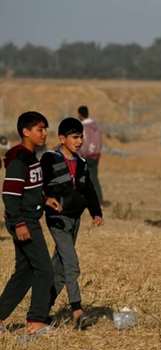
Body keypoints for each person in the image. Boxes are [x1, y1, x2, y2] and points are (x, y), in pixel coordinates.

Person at [0, 111, 61, 336]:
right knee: (44, 270)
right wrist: (19, 223)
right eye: (39, 129)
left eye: (45, 128)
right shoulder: (18, 159)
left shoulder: (31, 156)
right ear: (26, 132)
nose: (44, 133)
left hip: (29, 218)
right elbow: (9, 195)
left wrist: (45, 199)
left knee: (24, 272)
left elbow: (29, 189)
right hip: (24, 222)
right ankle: (36, 322)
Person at [41, 118, 103, 329]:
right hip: (57, 219)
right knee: (71, 265)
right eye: (75, 137)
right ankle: (77, 311)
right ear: (62, 138)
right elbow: (39, 186)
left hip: (74, 219)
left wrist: (96, 212)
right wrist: (45, 200)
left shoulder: (82, 163)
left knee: (59, 270)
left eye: (81, 137)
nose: (79, 141)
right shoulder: (49, 159)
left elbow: (89, 190)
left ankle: (40, 310)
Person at [77, 106, 104, 205]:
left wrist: (81, 154)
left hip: (87, 156)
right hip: (96, 155)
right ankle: (99, 199)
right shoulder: (95, 125)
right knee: (93, 177)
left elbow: (84, 143)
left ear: (80, 114)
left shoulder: (84, 127)